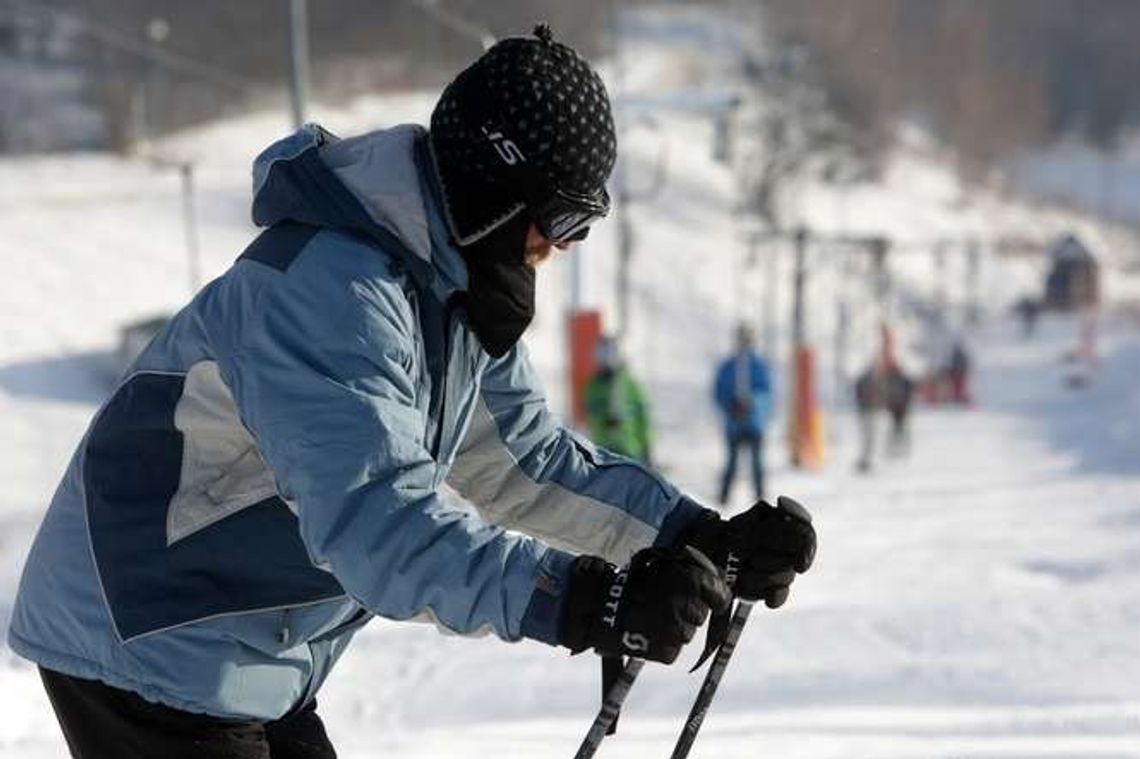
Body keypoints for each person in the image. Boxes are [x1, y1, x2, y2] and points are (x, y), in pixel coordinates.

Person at [9, 26, 816, 759]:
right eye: (566, 217)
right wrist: (582, 599)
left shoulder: (441, 289)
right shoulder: (333, 295)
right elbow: (381, 522)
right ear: (502, 189)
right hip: (149, 638)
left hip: (247, 651)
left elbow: (524, 464)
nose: (563, 247)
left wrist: (696, 537)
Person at [713, 324, 773, 505]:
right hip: (734, 422)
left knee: (757, 464)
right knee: (731, 462)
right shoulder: (728, 366)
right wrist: (731, 405)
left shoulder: (759, 366)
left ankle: (760, 499)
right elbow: (718, 392)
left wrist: (752, 403)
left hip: (755, 423)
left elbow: (766, 393)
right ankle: (723, 498)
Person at [583, 335, 652, 463]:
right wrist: (604, 421)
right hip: (603, 450)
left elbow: (643, 417)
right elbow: (591, 413)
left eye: (609, 356)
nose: (606, 362)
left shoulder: (630, 384)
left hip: (631, 450)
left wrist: (646, 446)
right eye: (602, 357)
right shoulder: (594, 386)